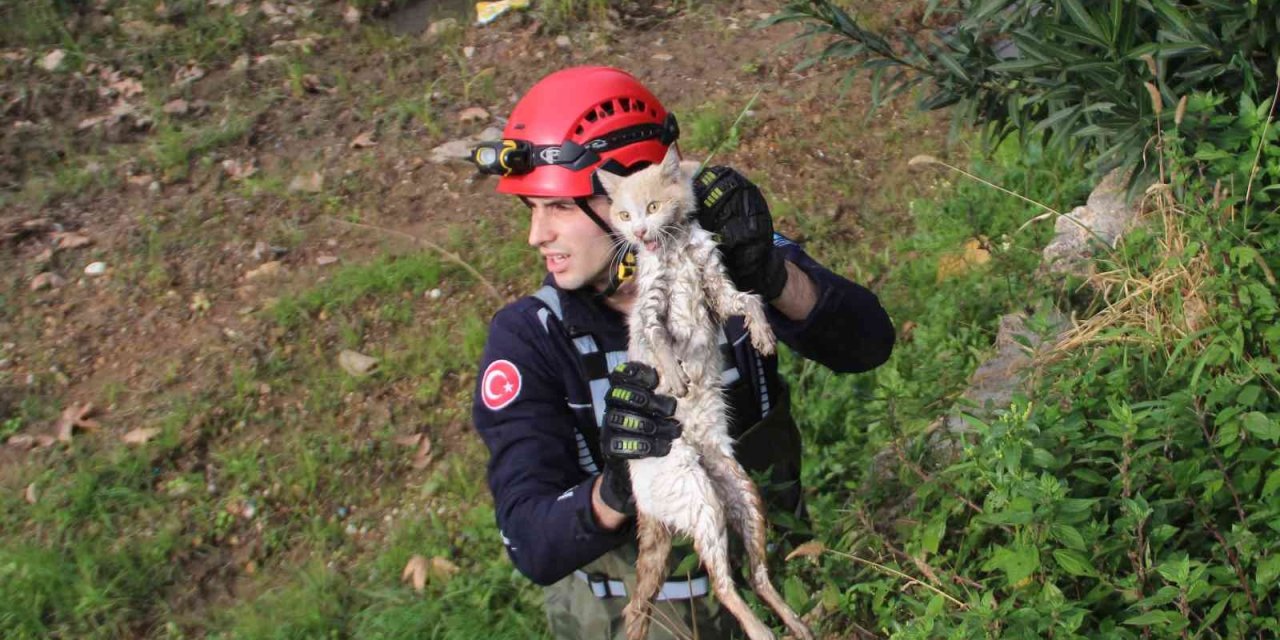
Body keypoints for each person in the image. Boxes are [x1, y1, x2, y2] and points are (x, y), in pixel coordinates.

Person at [470, 66, 895, 639]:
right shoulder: (531, 337)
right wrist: (616, 488)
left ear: (633, 189)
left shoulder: (729, 259)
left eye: (560, 208)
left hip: (784, 600)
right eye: (532, 209)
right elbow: (529, 540)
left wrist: (770, 276)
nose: (537, 235)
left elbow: (868, 344)